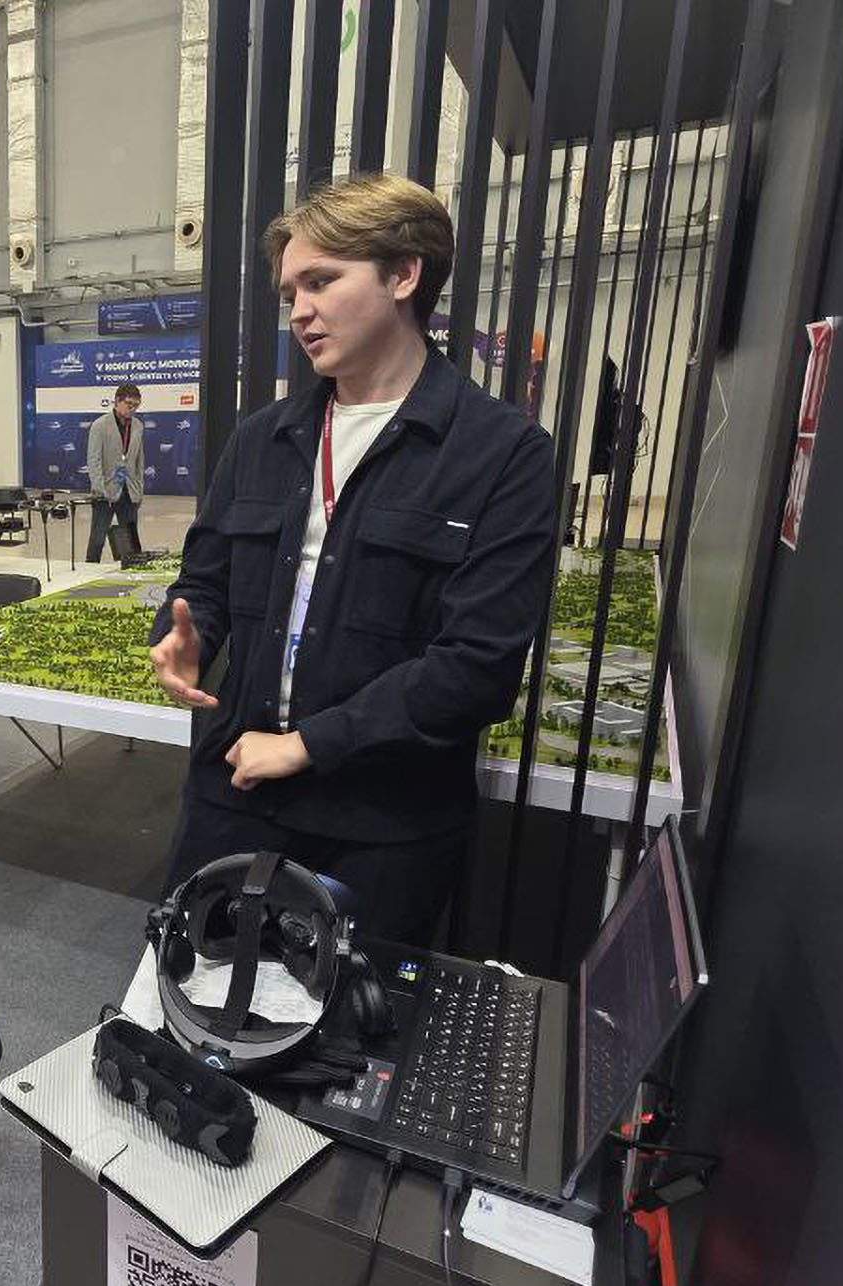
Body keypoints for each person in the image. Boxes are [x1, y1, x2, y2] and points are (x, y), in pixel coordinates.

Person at [150, 174, 557, 947]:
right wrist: (187, 635)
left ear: (404, 275)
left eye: (321, 282)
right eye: (290, 293)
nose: (299, 312)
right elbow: (203, 581)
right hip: (234, 790)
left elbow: (477, 667)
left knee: (350, 1018)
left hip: (381, 823)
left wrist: (306, 745)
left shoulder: (501, 455)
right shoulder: (261, 440)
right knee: (187, 990)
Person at [85, 383, 145, 562]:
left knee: (131, 541)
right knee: (97, 539)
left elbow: (139, 460)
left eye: (136, 405)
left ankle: (131, 571)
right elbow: (94, 460)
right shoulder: (99, 426)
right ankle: (89, 570)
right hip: (105, 492)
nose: (132, 409)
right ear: (117, 401)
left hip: (129, 491)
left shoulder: (138, 426)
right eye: (129, 404)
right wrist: (99, 489)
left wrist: (139, 490)